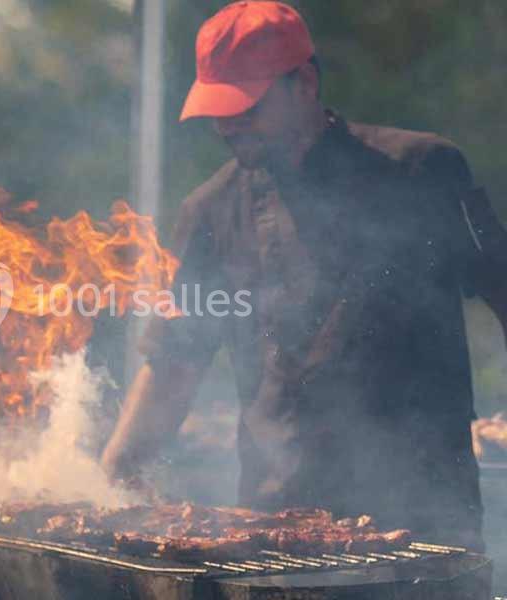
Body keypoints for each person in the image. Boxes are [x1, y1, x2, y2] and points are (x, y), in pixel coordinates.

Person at [101, 1, 507, 550]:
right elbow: (175, 362)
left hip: (427, 516)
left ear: (306, 84)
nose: (228, 126)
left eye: (246, 107)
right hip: (276, 526)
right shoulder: (211, 211)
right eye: (218, 109)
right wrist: (115, 475)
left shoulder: (423, 170)